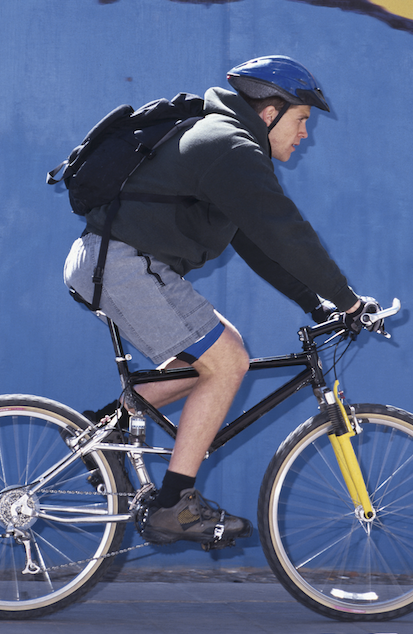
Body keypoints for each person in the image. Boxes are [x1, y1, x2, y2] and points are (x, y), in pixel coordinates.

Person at [63, 55, 379, 546]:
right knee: (226, 360)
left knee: (212, 363)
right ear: (270, 112)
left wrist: (318, 304)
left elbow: (258, 244)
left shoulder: (227, 145)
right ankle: (174, 506)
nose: (304, 134)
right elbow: (287, 233)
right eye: (301, 120)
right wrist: (350, 301)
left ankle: (104, 426)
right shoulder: (229, 146)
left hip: (120, 261)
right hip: (121, 262)